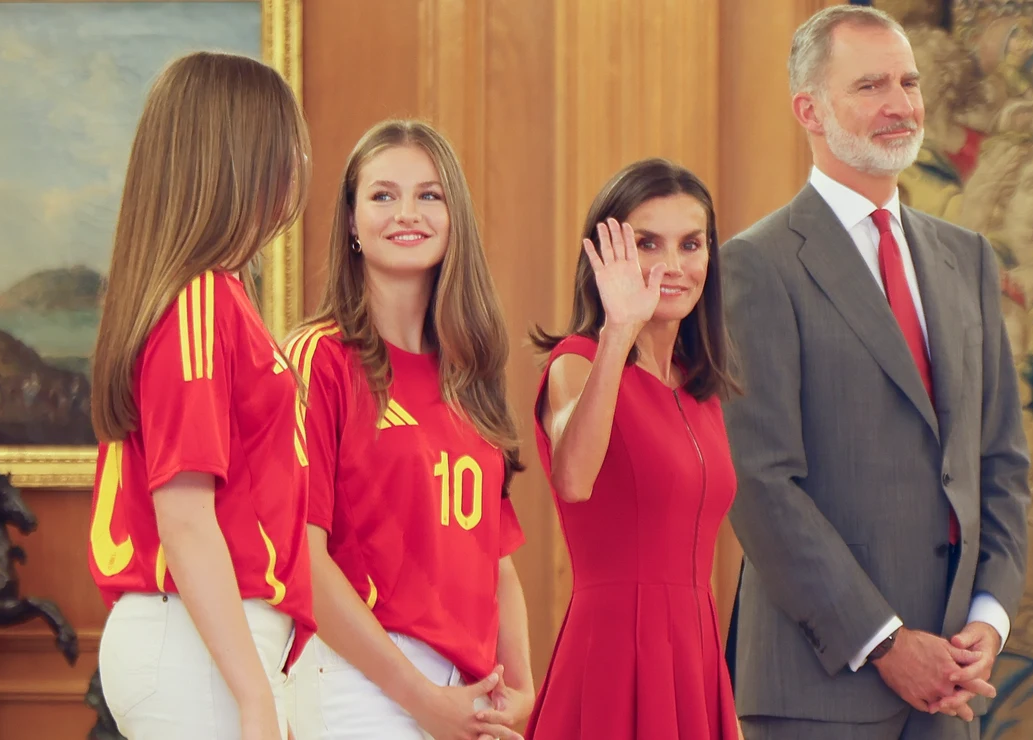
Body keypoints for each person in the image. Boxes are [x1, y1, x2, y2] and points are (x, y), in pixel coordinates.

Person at [721, 6, 1031, 740]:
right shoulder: (754, 266)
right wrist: (884, 641)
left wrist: (989, 617)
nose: (899, 105)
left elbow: (1001, 462)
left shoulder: (968, 259)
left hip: (953, 685)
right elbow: (760, 483)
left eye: (908, 82)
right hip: (816, 689)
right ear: (811, 110)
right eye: (869, 86)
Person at [87, 51, 314, 740]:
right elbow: (184, 515)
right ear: (239, 158)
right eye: (283, 145)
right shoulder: (199, 302)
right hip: (197, 638)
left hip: (205, 635)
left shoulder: (215, 296)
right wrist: (253, 699)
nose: (298, 162)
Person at [282, 119, 533, 740]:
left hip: (470, 691)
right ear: (350, 221)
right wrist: (422, 700)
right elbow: (304, 560)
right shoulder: (321, 358)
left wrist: (522, 690)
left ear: (454, 218)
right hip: (358, 684)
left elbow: (494, 557)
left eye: (429, 194)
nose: (407, 213)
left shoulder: (471, 369)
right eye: (383, 194)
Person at [525, 158, 743, 740]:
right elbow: (572, 478)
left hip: (696, 658)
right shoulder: (577, 360)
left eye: (691, 244)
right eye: (648, 243)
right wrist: (617, 332)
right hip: (614, 655)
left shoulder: (701, 387)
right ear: (607, 256)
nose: (673, 265)